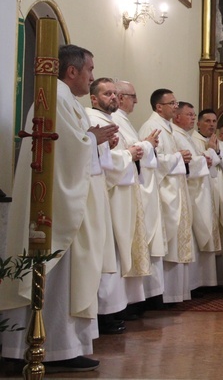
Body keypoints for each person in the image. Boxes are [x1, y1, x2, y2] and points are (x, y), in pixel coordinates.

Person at [1, 45, 118, 372]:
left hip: (63, 201)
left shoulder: (66, 100)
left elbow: (76, 145)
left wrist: (94, 141)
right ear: (72, 71)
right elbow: (67, 147)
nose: (92, 77)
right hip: (54, 208)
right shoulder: (56, 97)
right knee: (55, 276)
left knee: (63, 277)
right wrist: (92, 140)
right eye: (90, 70)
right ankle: (47, 350)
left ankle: (61, 347)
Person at [87, 78, 149, 335]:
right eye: (108, 93)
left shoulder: (112, 121)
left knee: (114, 254)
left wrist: (130, 153)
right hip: (107, 197)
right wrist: (129, 154)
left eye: (115, 93)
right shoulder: (91, 118)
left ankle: (113, 311)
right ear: (93, 98)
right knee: (106, 256)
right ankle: (106, 314)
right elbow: (102, 159)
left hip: (118, 194)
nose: (114, 97)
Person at [139, 89, 195, 304]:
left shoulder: (168, 128)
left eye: (176, 102)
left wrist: (180, 158)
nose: (175, 106)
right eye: (171, 103)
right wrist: (177, 157)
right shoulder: (151, 127)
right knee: (165, 245)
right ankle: (161, 296)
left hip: (174, 190)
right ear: (158, 107)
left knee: (174, 246)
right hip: (163, 194)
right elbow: (151, 161)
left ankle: (175, 294)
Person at [113, 81, 164, 304]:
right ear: (121, 97)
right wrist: (148, 144)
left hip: (134, 188)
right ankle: (123, 304)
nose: (136, 101)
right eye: (132, 96)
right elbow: (128, 154)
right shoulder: (115, 120)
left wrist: (146, 146)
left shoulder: (124, 121)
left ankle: (133, 301)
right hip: (122, 192)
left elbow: (136, 152)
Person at [172, 102, 219, 290]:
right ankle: (190, 285)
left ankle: (198, 283)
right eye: (189, 115)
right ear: (177, 117)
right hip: (188, 193)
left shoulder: (185, 136)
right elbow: (187, 163)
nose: (192, 118)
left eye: (193, 115)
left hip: (197, 191)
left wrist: (205, 157)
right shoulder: (176, 135)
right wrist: (205, 157)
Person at [194, 108, 223, 286]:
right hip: (202, 191)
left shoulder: (221, 143)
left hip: (219, 191)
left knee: (220, 230)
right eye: (207, 121)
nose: (211, 125)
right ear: (198, 123)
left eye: (214, 121)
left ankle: (220, 279)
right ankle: (203, 280)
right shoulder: (193, 140)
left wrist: (216, 152)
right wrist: (211, 152)